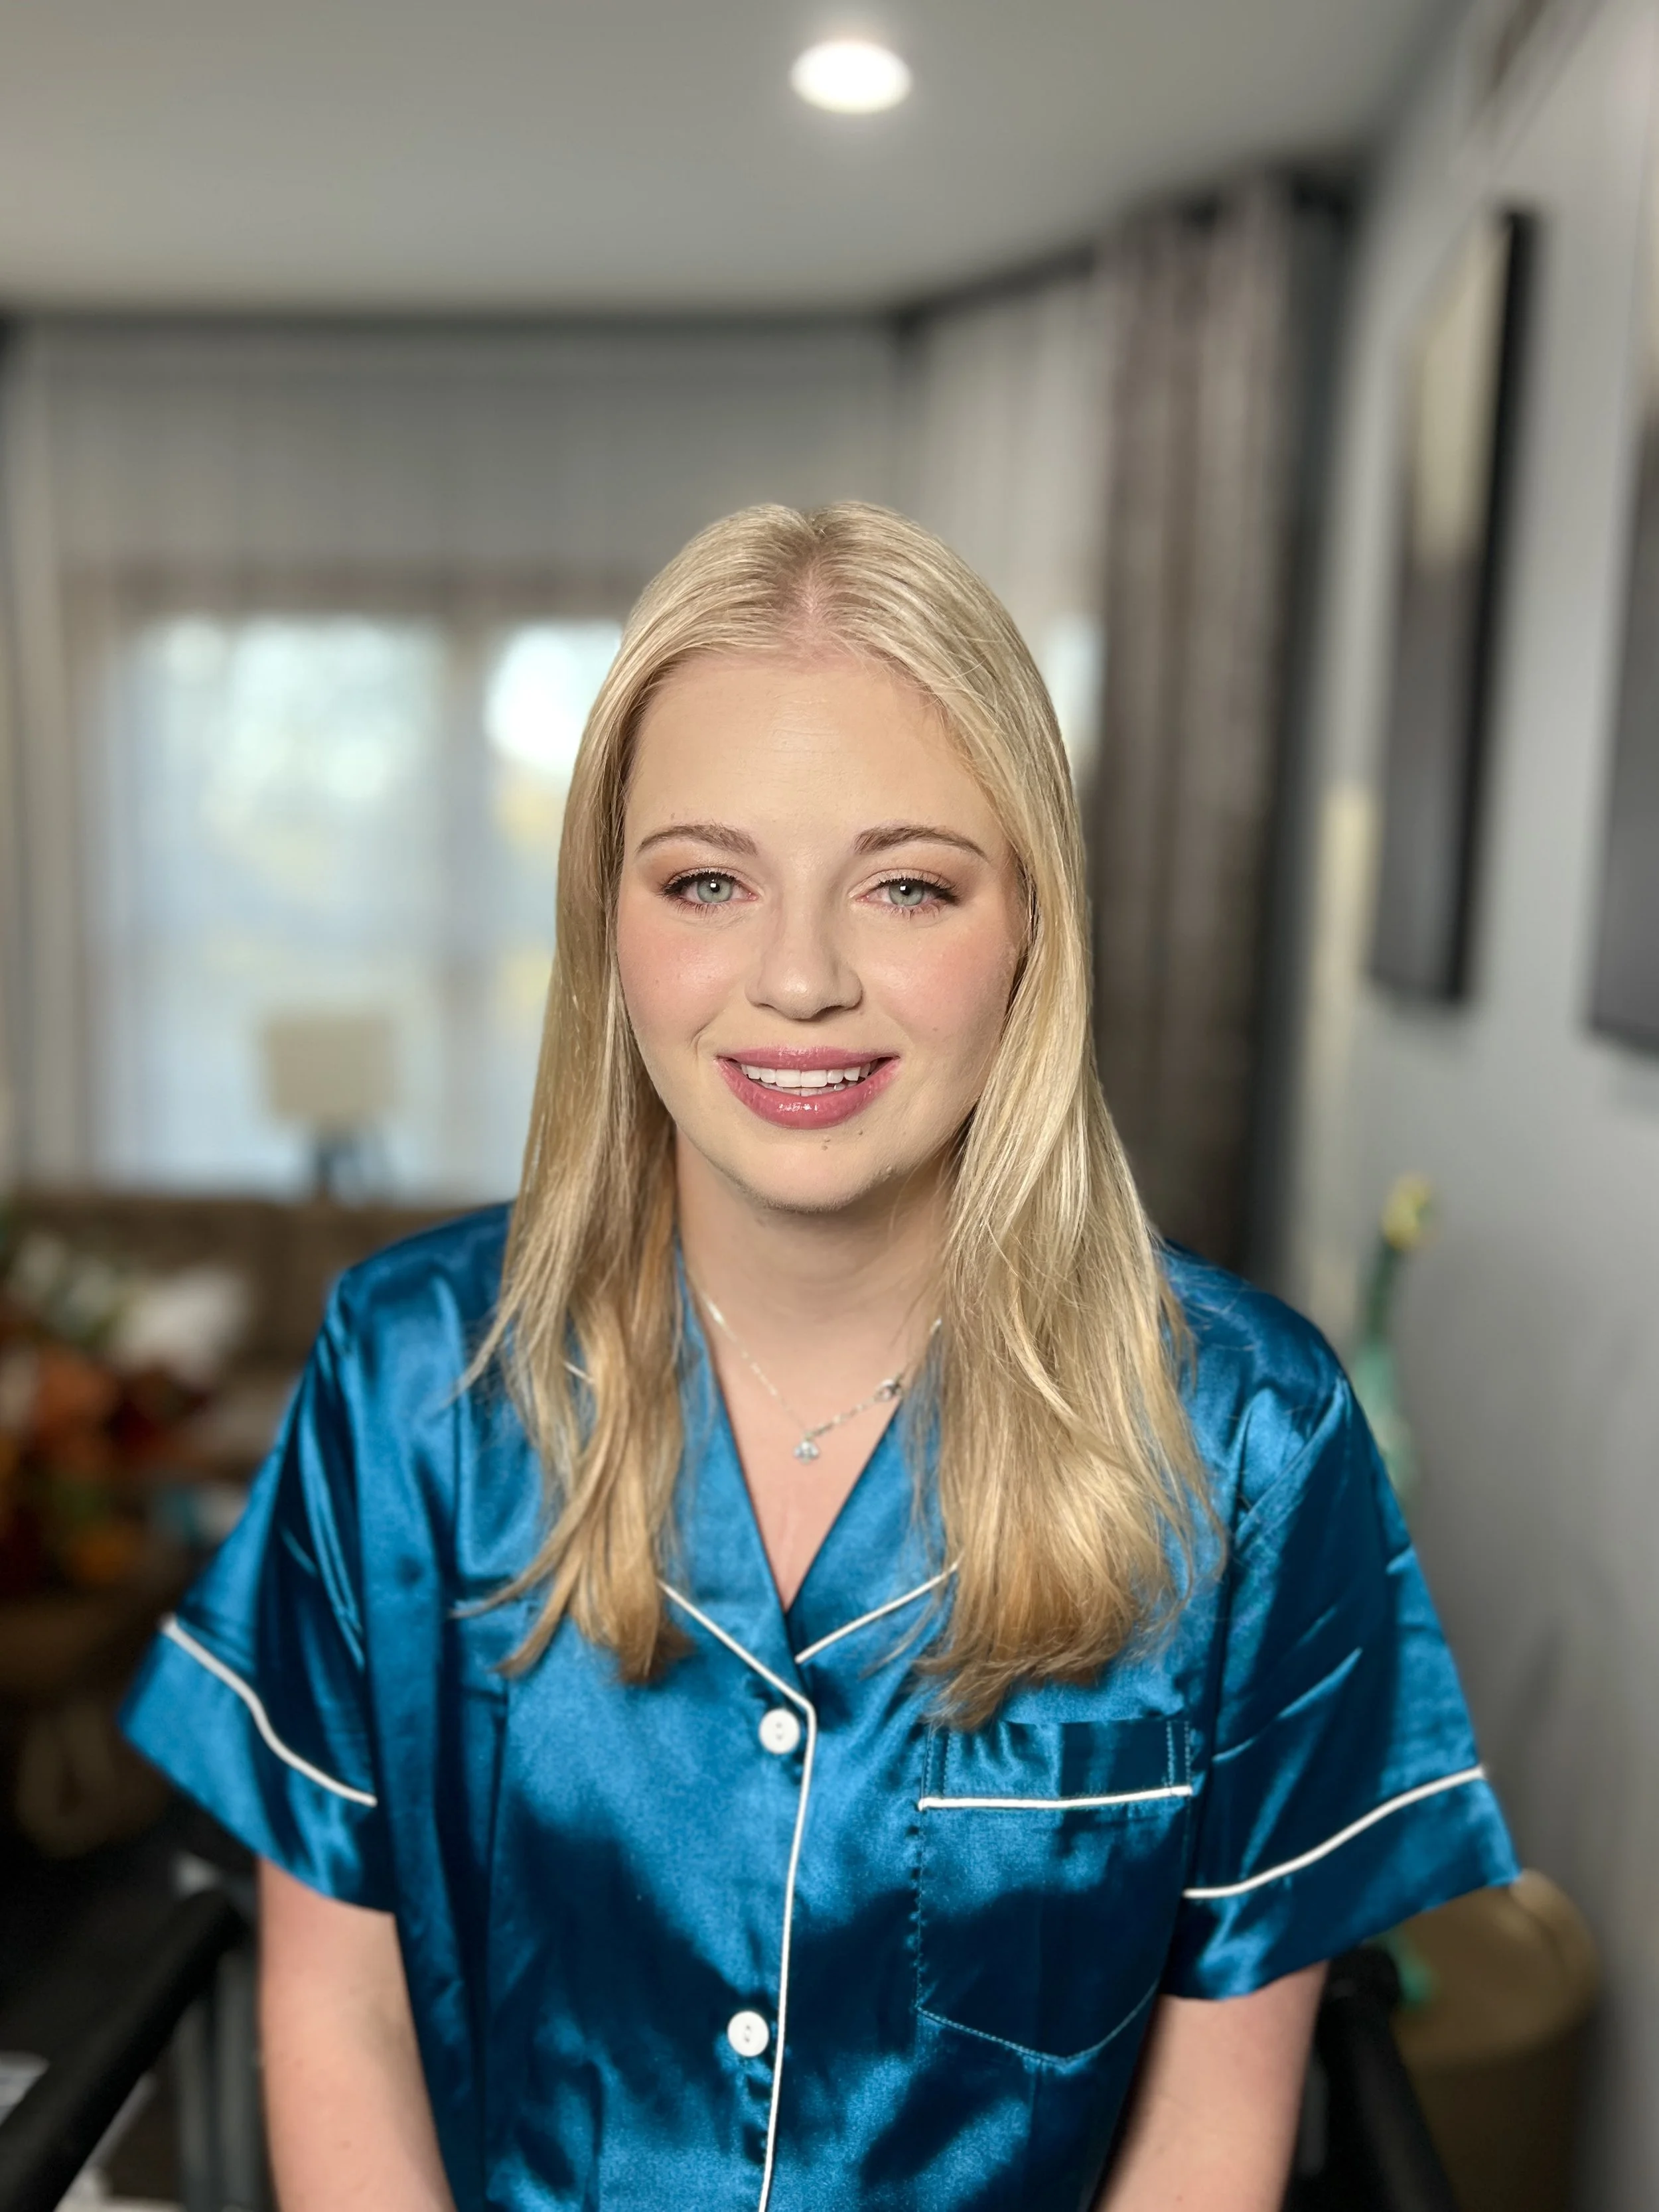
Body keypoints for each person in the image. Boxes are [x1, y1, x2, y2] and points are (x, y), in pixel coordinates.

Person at [123, 502, 1516, 2212]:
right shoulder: (410, 1376)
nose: (798, 978)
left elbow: (1216, 2127)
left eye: (908, 884)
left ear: (1029, 936)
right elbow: (335, 2010)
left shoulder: (1249, 1436)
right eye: (710, 880)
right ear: (609, 927)